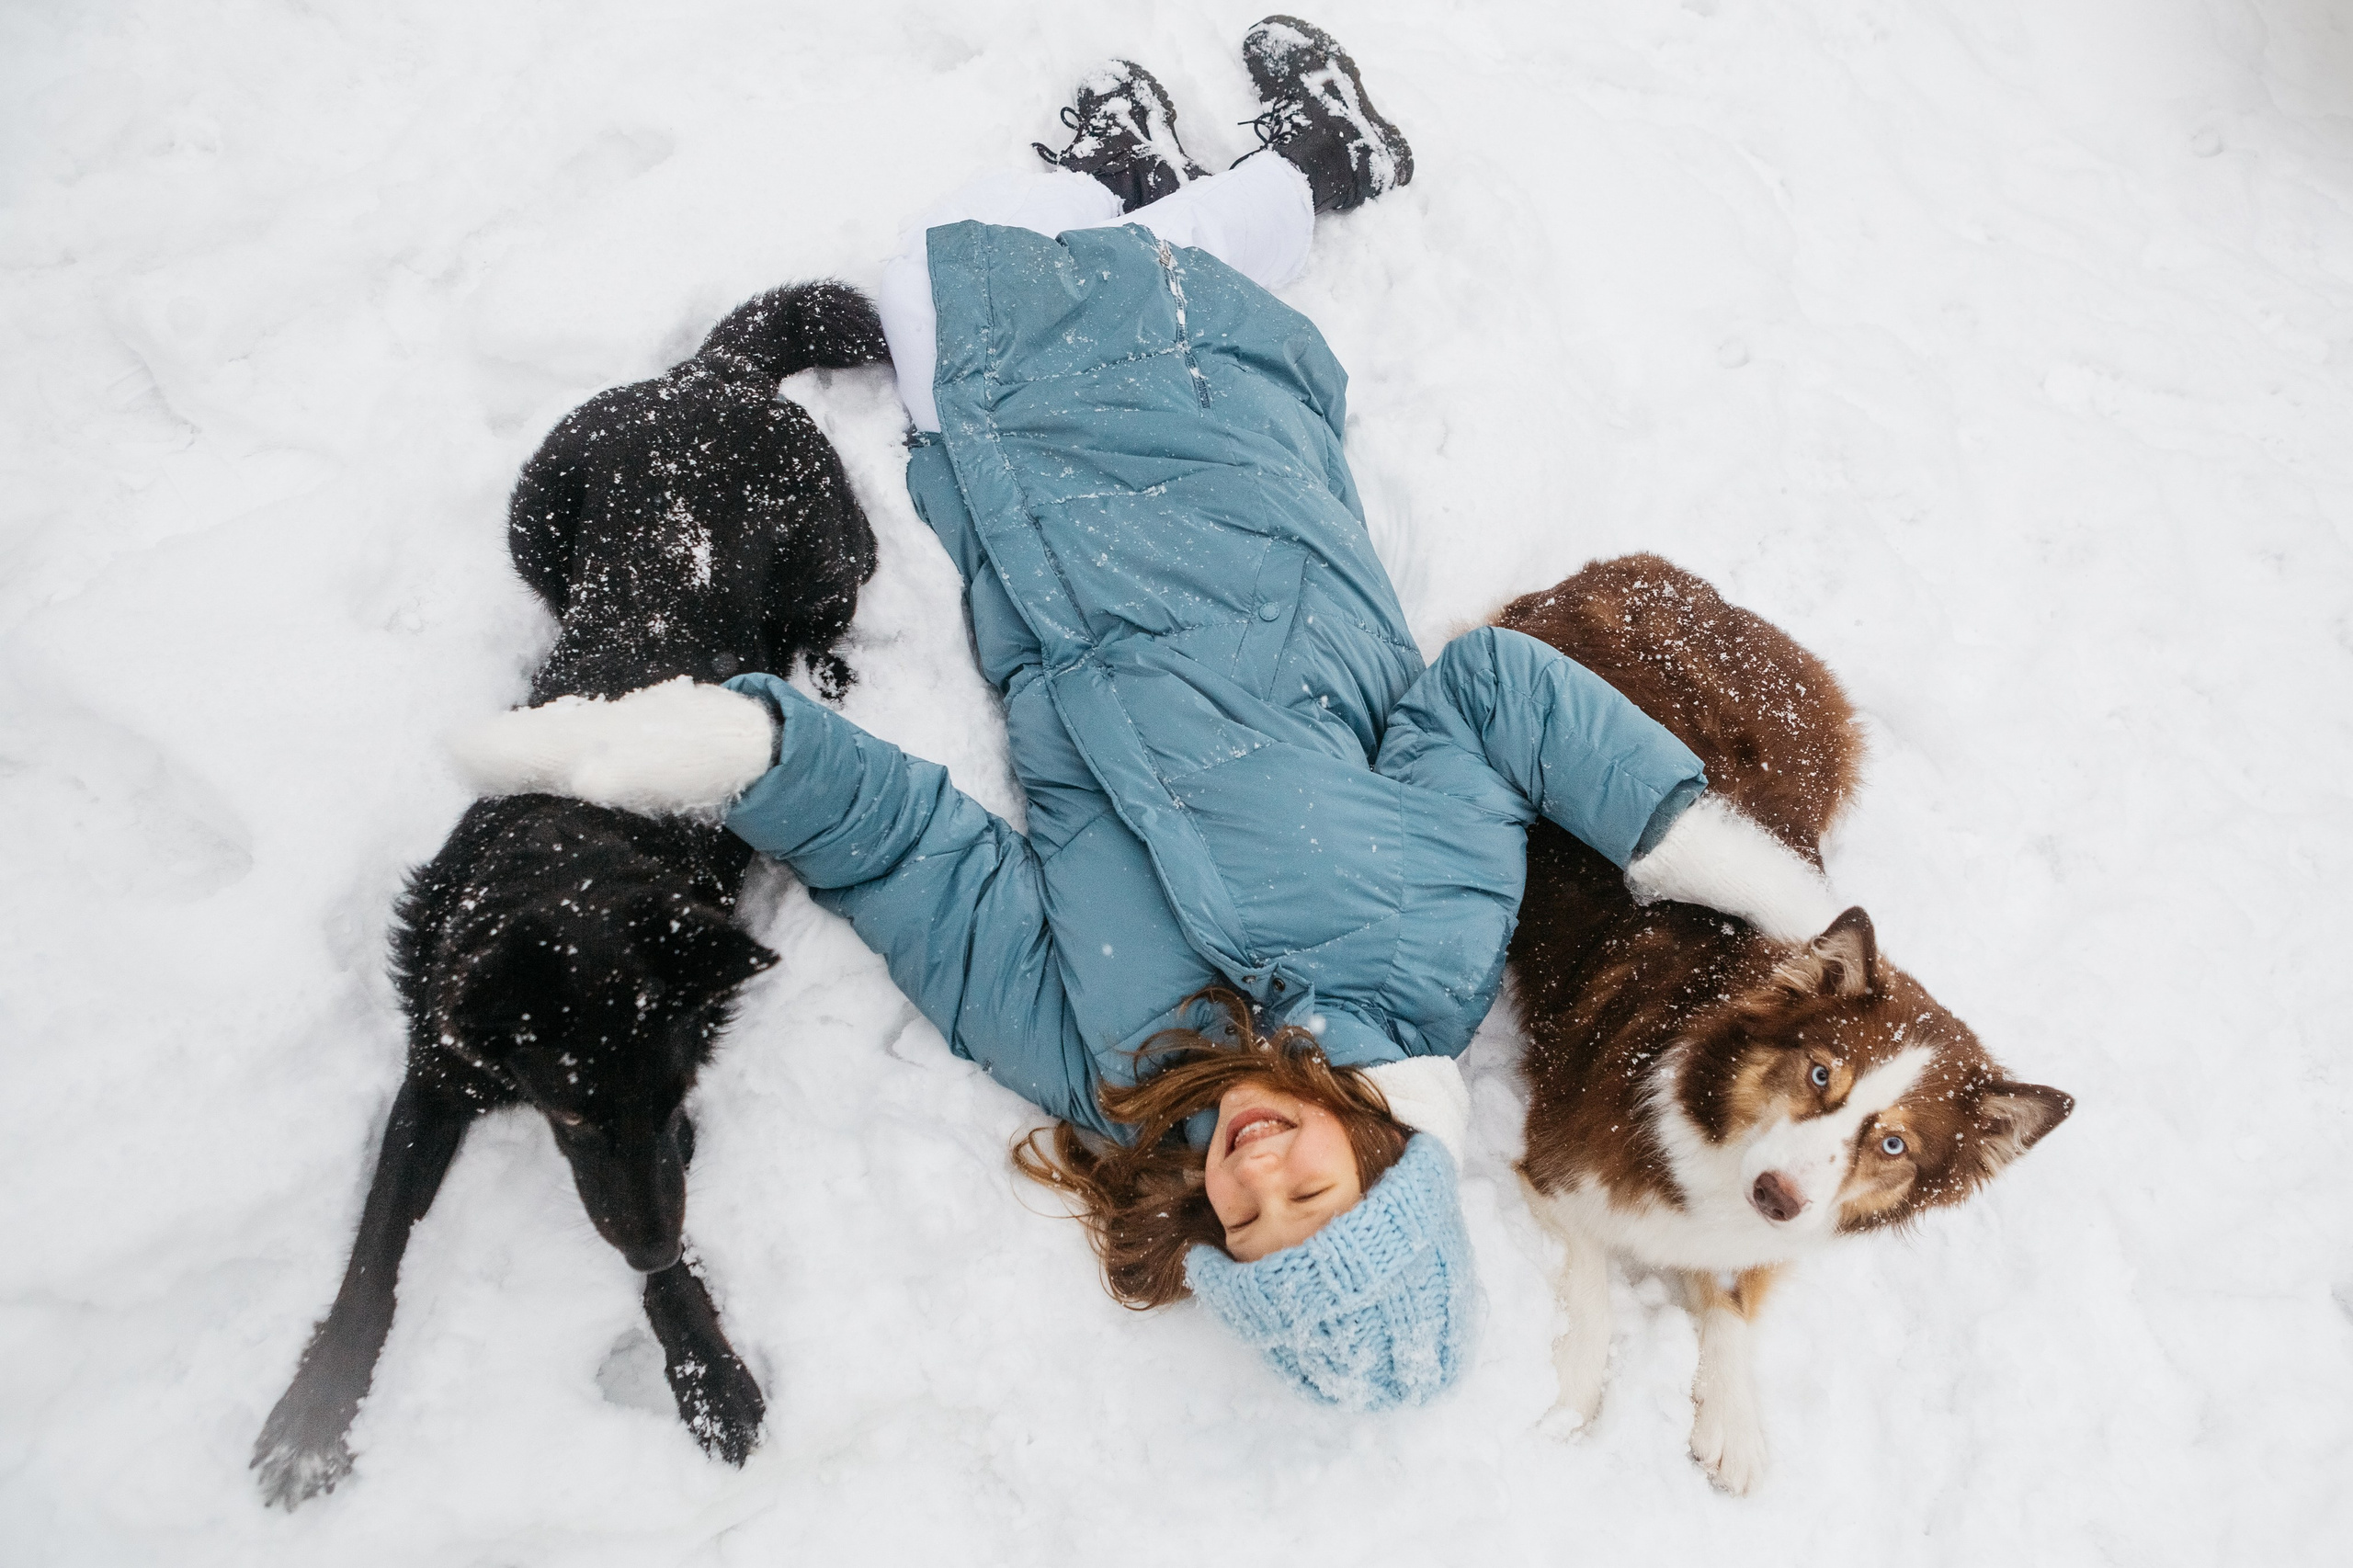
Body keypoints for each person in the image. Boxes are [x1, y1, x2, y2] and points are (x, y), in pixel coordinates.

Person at [457, 16, 1843, 1410]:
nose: (1258, 1168)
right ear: (1386, 1161)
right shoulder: (1430, 945)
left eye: (1247, 1218)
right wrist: (1681, 834)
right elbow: (1490, 693)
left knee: (951, 313)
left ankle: (1142, 190)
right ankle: (1300, 175)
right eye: (1316, 1190)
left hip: (1045, 556)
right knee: (963, 281)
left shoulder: (1105, 1070)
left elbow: (911, 865)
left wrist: (740, 751)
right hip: (1239, 512)